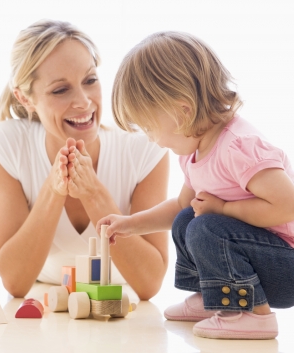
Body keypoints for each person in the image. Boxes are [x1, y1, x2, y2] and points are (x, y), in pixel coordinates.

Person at [97, 31, 294, 340]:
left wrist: (224, 208)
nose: (151, 138)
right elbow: (180, 206)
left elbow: (287, 204)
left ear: (182, 111)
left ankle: (255, 314)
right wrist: (131, 225)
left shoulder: (238, 147)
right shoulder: (194, 154)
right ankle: (213, 296)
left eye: (149, 127)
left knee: (206, 226)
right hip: (255, 260)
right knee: (187, 218)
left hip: (286, 266)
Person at [0, 19, 169, 299]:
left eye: (90, 80)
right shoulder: (8, 145)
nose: (83, 101)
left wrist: (93, 194)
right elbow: (15, 282)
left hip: (120, 310)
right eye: (60, 90)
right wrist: (54, 188)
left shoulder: (143, 148)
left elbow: (148, 284)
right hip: (48, 311)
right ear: (25, 98)